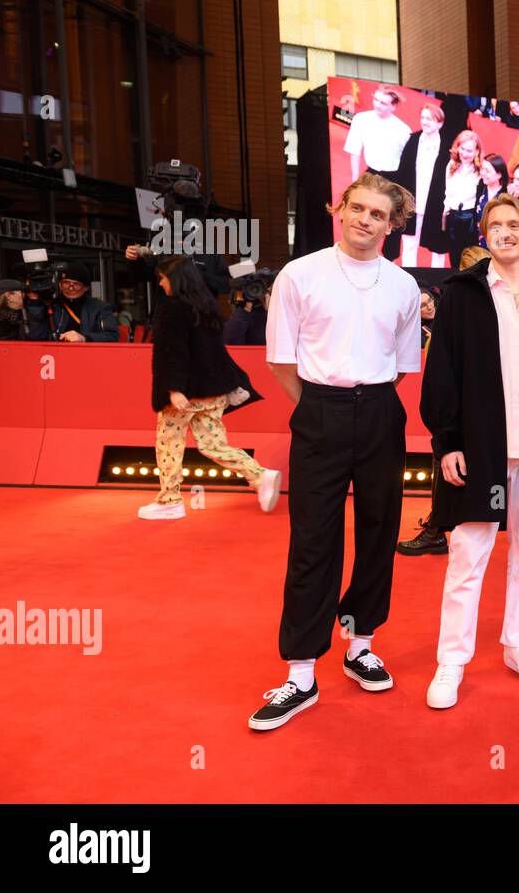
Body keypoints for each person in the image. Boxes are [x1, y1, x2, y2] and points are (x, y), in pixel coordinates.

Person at [248, 173, 422, 732]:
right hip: (318, 410)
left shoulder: (402, 286)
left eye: (376, 214)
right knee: (313, 539)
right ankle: (300, 674)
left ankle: (361, 641)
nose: (363, 220)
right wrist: (320, 407)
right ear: (338, 208)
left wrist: (361, 403)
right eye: (356, 208)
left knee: (379, 531)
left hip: (379, 412)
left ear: (391, 226)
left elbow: (400, 367)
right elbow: (280, 360)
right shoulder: (300, 275)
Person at [422, 194, 519, 710]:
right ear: (485, 234)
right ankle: (452, 660)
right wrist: (447, 441)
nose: (506, 232)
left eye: (515, 224)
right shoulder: (462, 294)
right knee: (467, 555)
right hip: (481, 447)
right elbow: (441, 372)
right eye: (496, 225)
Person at [142, 255, 279, 520]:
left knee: (169, 443)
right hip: (213, 392)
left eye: (163, 278)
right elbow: (216, 351)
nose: (160, 284)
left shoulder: (173, 308)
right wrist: (232, 383)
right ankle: (260, 476)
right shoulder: (207, 305)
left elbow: (171, 352)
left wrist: (173, 388)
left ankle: (170, 500)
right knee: (213, 445)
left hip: (185, 392)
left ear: (176, 279)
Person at [396, 287, 450, 558]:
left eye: (427, 303)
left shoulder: (448, 324)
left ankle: (435, 531)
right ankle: (435, 530)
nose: (425, 309)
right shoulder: (421, 331)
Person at [392, 101, 451, 265]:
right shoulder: (412, 141)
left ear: (439, 123)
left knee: (437, 247)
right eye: (423, 118)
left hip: (435, 205)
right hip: (413, 202)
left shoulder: (447, 146)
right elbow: (402, 173)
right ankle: (409, 277)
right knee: (409, 243)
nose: (424, 122)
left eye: (430, 119)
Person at [344, 86, 411, 183]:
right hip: (370, 174)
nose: (377, 105)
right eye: (376, 99)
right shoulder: (361, 119)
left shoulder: (404, 130)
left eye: (383, 103)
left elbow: (408, 161)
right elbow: (354, 150)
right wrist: (355, 178)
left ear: (393, 106)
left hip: (395, 178)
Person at [42, 263, 120, 342]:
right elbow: (37, 336)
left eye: (76, 284)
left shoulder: (100, 308)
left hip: (89, 353)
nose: (71, 288)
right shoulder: (50, 305)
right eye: (66, 283)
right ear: (60, 285)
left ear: (86, 288)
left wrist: (85, 338)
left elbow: (112, 336)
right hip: (54, 353)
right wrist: (34, 303)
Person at [442, 129, 483, 268]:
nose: (465, 154)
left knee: (468, 258)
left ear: (477, 151)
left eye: (469, 151)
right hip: (453, 217)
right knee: (453, 256)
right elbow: (448, 192)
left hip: (469, 218)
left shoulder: (480, 170)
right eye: (462, 149)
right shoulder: (451, 165)